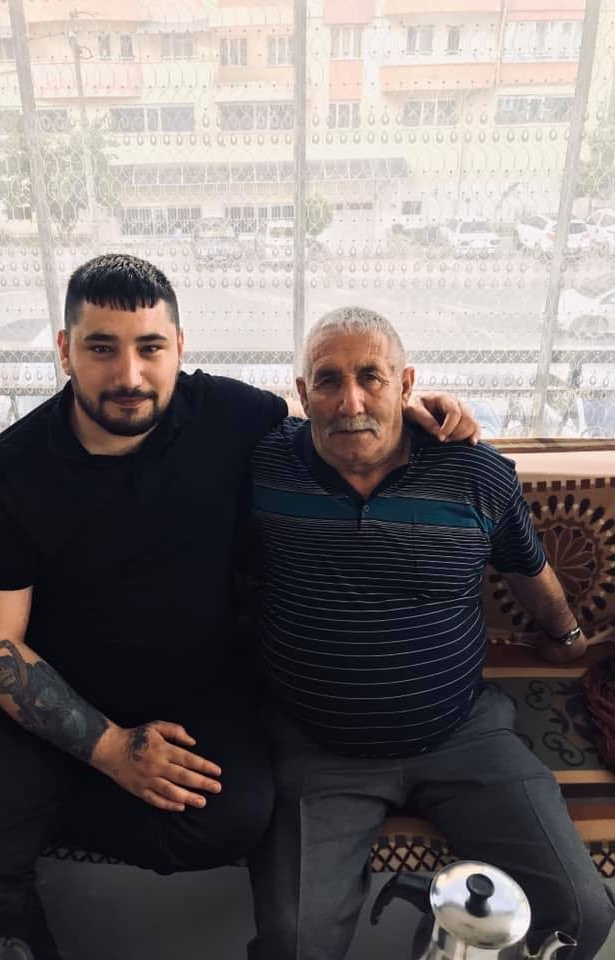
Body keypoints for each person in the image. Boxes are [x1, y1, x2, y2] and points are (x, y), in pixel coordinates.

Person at [0, 256, 478, 959]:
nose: (130, 375)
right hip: (41, 688)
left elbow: (341, 416)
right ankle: (0, 833)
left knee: (235, 816)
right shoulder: (11, 470)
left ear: (179, 347)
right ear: (64, 349)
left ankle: (18, 812)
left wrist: (417, 419)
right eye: (101, 348)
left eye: (150, 348)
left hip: (191, 687)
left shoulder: (234, 418)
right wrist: (110, 750)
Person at [246, 306, 615, 960]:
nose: (350, 401)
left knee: (581, 916)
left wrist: (568, 636)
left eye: (372, 377)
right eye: (328, 380)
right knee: (294, 945)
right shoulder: (262, 467)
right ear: (302, 392)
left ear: (407, 383)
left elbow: (528, 570)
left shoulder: (475, 473)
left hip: (463, 733)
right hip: (317, 747)